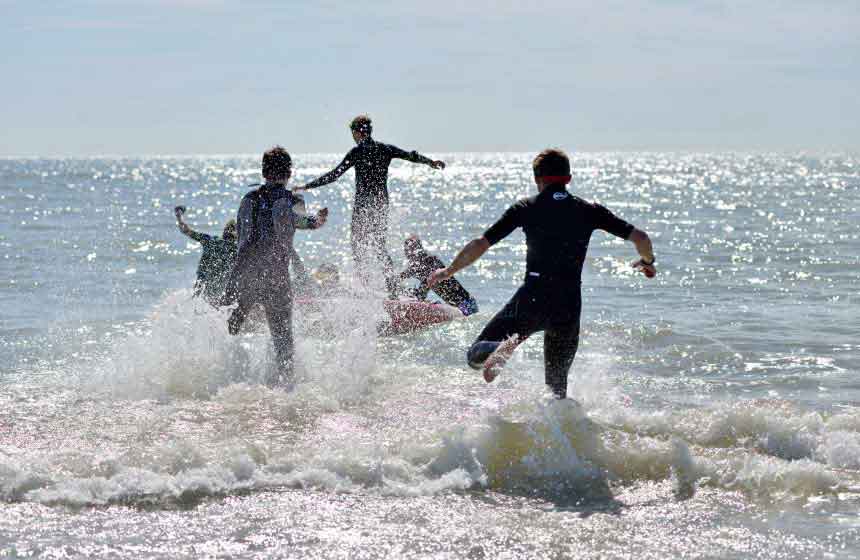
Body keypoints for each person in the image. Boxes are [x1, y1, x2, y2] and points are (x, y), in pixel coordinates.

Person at [428, 148, 656, 399]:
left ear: (538, 179)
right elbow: (641, 238)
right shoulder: (590, 209)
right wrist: (648, 261)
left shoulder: (527, 207)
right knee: (556, 392)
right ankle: (562, 433)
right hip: (569, 305)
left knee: (475, 358)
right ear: (568, 179)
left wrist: (448, 270)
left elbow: (481, 243)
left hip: (533, 297)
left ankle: (502, 345)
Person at [295, 114, 446, 297]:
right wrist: (430, 162)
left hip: (363, 206)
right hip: (380, 204)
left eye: (353, 133)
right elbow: (410, 156)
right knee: (380, 248)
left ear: (357, 133)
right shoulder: (385, 149)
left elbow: (334, 175)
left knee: (358, 247)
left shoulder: (356, 152)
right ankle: (392, 288)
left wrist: (306, 186)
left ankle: (365, 288)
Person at [223, 146, 328, 386]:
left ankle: (224, 384)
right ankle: (285, 394)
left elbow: (243, 242)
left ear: (263, 172)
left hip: (246, 276)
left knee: (228, 332)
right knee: (283, 344)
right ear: (289, 173)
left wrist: (231, 283)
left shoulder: (248, 200)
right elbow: (304, 222)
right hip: (276, 279)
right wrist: (318, 221)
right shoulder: (292, 200)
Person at [399, 235, 478, 316]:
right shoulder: (415, 267)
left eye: (412, 249)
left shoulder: (431, 261)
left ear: (419, 249)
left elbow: (425, 287)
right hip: (455, 306)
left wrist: (415, 297)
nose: (408, 253)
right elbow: (399, 277)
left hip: (467, 304)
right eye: (406, 250)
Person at [174, 206, 237, 306]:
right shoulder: (236, 249)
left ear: (224, 232)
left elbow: (185, 230)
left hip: (201, 290)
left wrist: (179, 216)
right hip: (219, 295)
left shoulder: (209, 240)